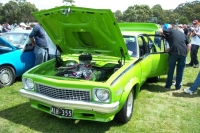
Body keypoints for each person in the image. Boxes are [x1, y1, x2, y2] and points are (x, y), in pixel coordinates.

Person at [159, 23, 191, 90]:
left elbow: (160, 30)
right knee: (180, 70)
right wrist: (186, 54)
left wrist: (163, 34)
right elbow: (189, 45)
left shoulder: (171, 31)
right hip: (183, 54)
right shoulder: (183, 35)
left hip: (173, 53)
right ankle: (178, 86)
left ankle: (168, 86)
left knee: (171, 69)